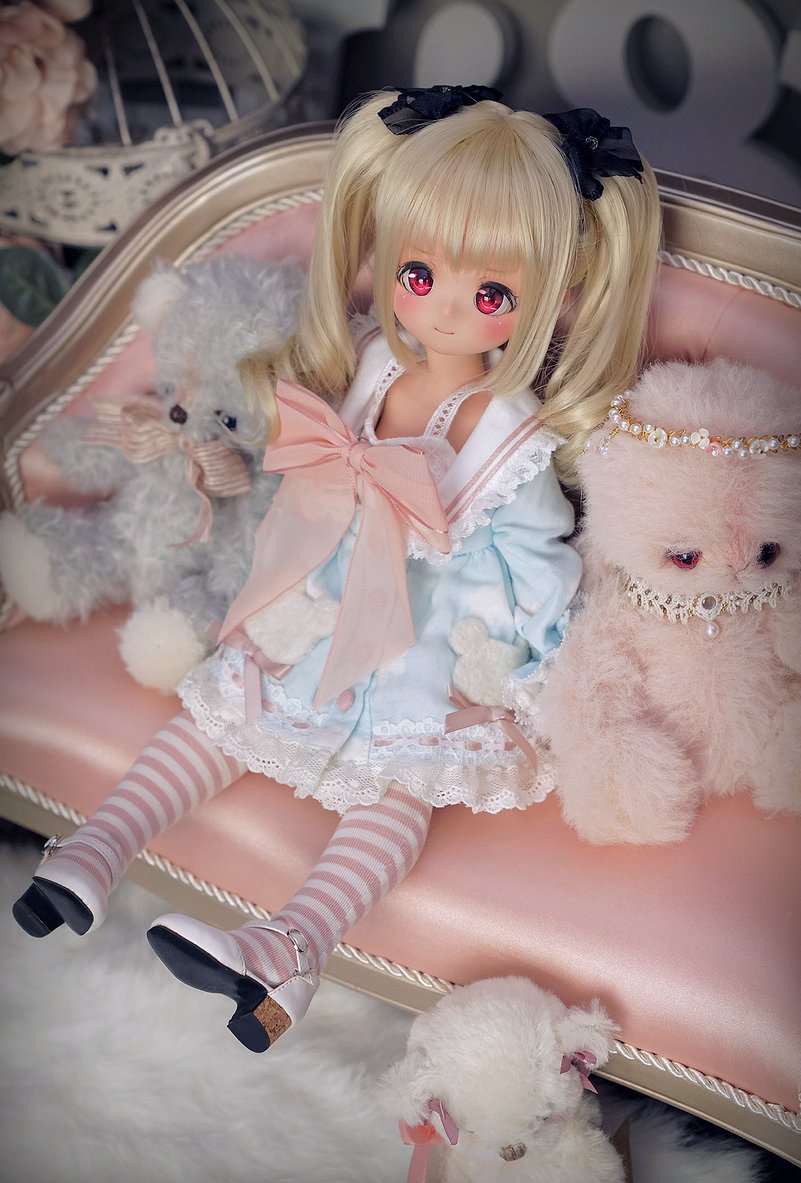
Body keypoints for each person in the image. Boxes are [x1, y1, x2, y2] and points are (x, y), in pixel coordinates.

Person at [13, 86, 661, 1052]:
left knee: (399, 783)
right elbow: (310, 474)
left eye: (490, 295)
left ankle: (290, 947)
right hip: (325, 592)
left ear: (548, 298)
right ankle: (96, 849)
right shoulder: (370, 362)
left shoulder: (510, 431)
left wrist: (500, 658)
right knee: (222, 711)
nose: (443, 308)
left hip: (431, 632)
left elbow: (533, 562)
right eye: (417, 274)